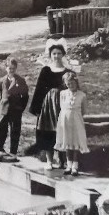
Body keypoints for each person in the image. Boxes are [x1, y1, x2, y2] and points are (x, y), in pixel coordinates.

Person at [29, 38, 75, 171]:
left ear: (63, 54)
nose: (56, 56)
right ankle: (49, 161)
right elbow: (39, 90)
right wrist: (36, 108)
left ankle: (62, 161)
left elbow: (73, 88)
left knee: (63, 131)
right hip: (48, 106)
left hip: (63, 105)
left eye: (59, 53)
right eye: (54, 53)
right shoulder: (46, 71)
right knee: (48, 132)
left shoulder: (68, 72)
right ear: (50, 55)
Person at [0, 58, 29, 154]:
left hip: (16, 110)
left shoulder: (20, 81)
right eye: (9, 68)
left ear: (16, 68)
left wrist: (21, 108)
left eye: (13, 68)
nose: (11, 70)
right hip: (4, 109)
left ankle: (13, 152)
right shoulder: (2, 80)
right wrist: (3, 104)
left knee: (15, 131)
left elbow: (25, 96)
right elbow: (2, 94)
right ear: (6, 68)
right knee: (0, 129)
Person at [55, 72, 89, 175]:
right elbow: (62, 107)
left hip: (76, 120)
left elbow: (84, 110)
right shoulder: (63, 94)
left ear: (76, 83)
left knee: (76, 142)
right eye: (68, 84)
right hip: (65, 120)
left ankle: (75, 165)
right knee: (67, 141)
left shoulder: (82, 95)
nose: (70, 85)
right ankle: (68, 164)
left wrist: (76, 116)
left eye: (72, 83)